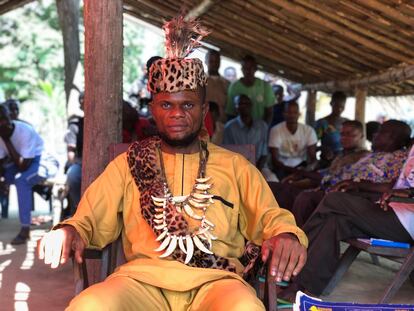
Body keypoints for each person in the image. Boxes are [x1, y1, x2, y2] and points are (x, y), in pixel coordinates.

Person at [39, 16, 307, 311]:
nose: (177, 114)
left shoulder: (236, 167)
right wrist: (70, 231)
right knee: (88, 305)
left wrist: (286, 235)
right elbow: (87, 219)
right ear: (153, 109)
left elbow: (272, 218)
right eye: (166, 104)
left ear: (203, 109)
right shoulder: (128, 164)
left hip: (217, 283)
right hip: (140, 282)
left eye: (188, 105)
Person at [281, 140, 414, 300]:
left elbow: (407, 189)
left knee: (335, 200)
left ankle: (293, 262)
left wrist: (411, 192)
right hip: (391, 210)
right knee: (335, 221)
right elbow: (396, 185)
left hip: (406, 222)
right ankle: (303, 285)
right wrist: (357, 185)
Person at [291, 119, 411, 226]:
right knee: (296, 196)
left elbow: (390, 186)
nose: (375, 135)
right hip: (336, 189)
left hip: (359, 198)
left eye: (380, 132)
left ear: (393, 137)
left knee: (306, 199)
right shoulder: (372, 155)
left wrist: (357, 184)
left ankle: (298, 241)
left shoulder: (399, 159)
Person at [270, 120, 368, 213]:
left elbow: (333, 179)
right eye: (342, 134)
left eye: (350, 134)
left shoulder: (363, 157)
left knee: (301, 197)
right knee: (274, 187)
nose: (344, 138)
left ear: (362, 136)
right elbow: (326, 173)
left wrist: (302, 173)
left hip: (335, 196)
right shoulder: (341, 154)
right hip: (319, 188)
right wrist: (298, 180)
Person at [0, 104, 56, 244]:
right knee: (14, 178)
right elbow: (1, 162)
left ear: (10, 118)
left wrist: (6, 140)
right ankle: (42, 190)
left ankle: (25, 230)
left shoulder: (24, 131)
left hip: (43, 161)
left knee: (21, 180)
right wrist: (2, 180)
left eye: (4, 119)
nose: (2, 123)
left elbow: (23, 165)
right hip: (20, 162)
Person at [223, 94, 276, 181]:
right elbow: (228, 153)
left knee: (273, 180)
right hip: (237, 168)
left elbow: (264, 153)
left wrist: (256, 171)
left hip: (260, 167)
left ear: (251, 105)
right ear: (236, 107)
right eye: (241, 103)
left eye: (247, 103)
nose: (244, 106)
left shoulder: (262, 126)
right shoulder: (230, 127)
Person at [268, 101, 317, 180]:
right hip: (282, 167)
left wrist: (308, 169)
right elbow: (275, 160)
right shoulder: (276, 130)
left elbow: (313, 158)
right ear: (284, 114)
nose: (292, 115)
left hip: (301, 166)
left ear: (299, 114)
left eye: (295, 112)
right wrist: (293, 171)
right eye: (289, 112)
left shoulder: (309, 131)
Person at [225, 55, 275, 124]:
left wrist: (263, 129)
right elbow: (230, 112)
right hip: (239, 129)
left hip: (259, 128)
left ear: (256, 69)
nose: (248, 71)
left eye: (251, 68)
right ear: (242, 69)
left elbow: (269, 112)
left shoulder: (265, 86)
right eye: (245, 68)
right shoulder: (234, 87)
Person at [314, 91, 348, 167]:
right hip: (327, 163)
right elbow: (312, 146)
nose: (339, 109)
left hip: (345, 163)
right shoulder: (322, 123)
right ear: (331, 103)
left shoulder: (347, 122)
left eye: (342, 107)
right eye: (336, 106)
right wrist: (323, 148)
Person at [64, 92, 84, 216]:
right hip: (81, 163)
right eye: (82, 102)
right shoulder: (75, 125)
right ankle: (78, 210)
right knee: (73, 175)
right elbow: (71, 155)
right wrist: (82, 162)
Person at [205, 49, 229, 123]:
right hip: (203, 124)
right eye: (211, 61)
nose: (214, 64)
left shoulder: (227, 83)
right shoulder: (200, 81)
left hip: (221, 124)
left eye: (217, 61)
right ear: (206, 62)